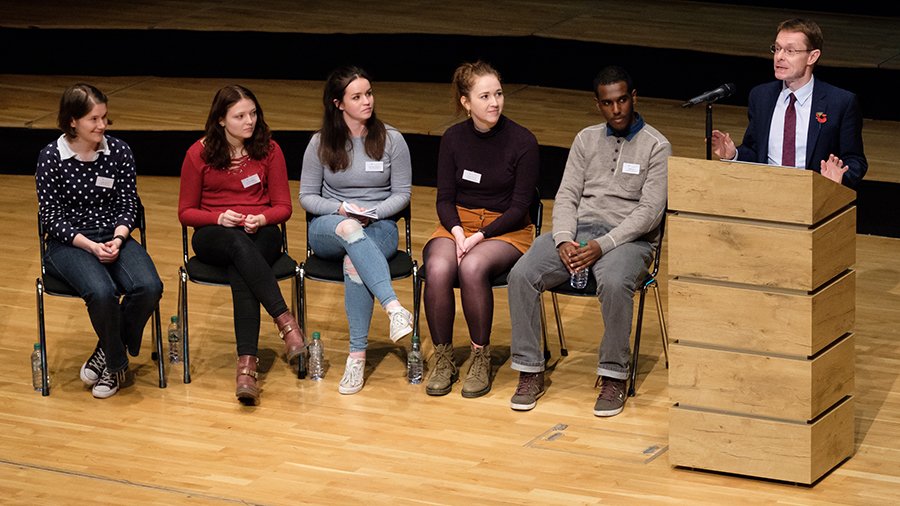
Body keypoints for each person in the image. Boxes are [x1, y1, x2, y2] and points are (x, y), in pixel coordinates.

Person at [506, 66, 670, 417]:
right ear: (598, 104)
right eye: (608, 103)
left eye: (623, 100)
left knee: (612, 281)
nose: (617, 110)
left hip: (630, 240)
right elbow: (566, 195)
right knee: (522, 274)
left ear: (634, 98)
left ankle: (613, 375)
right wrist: (564, 239)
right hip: (579, 234)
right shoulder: (585, 139)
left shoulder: (657, 146)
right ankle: (529, 369)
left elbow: (649, 214)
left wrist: (604, 245)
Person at [178, 84, 305, 406]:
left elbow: (283, 206)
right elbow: (186, 212)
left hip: (260, 232)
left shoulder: (269, 150)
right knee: (236, 248)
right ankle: (285, 321)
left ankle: (246, 366)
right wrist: (220, 217)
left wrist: (261, 219)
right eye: (240, 116)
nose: (249, 121)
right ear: (221, 119)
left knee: (242, 268)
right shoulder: (199, 153)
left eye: (252, 114)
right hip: (214, 232)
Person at [36, 83, 163, 399]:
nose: (102, 126)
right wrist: (90, 246)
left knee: (149, 286)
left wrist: (119, 238)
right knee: (102, 291)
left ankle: (106, 350)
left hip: (114, 236)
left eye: (104, 118)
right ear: (72, 122)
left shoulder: (118, 150)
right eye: (94, 119)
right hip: (69, 245)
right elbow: (51, 217)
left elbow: (129, 203)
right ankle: (117, 364)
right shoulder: (51, 158)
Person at [422, 61, 539, 398]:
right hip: (459, 222)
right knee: (439, 266)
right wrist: (458, 231)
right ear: (465, 102)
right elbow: (444, 198)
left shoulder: (523, 141)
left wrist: (480, 237)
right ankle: (443, 358)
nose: (494, 103)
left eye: (498, 94)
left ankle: (479, 355)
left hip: (507, 228)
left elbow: (519, 208)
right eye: (484, 96)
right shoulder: (453, 138)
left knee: (472, 266)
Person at [300, 65, 414, 395]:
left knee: (355, 263)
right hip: (329, 227)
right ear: (338, 104)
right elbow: (307, 197)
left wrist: (373, 212)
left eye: (369, 93)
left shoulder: (392, 140)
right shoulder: (320, 143)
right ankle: (394, 308)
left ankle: (356, 357)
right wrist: (341, 209)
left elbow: (402, 194)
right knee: (348, 228)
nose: (367, 101)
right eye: (357, 96)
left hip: (380, 226)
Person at [711, 18, 867, 188]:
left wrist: (839, 177)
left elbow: (856, 161)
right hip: (765, 192)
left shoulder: (840, 102)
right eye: (777, 49)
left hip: (814, 198)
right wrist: (734, 154)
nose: (779, 57)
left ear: (812, 56)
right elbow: (756, 152)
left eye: (790, 51)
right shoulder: (761, 96)